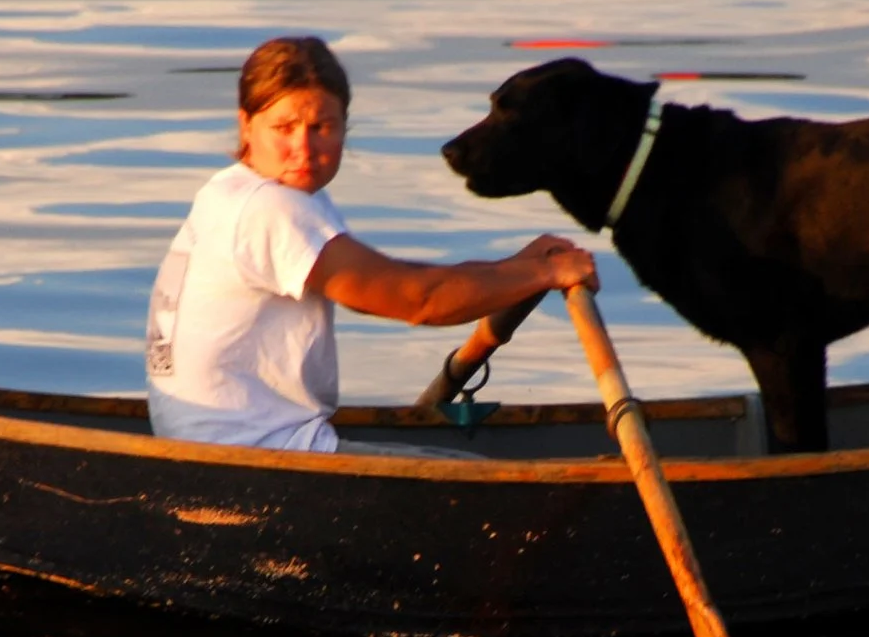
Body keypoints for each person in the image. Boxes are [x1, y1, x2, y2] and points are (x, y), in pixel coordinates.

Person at [146, 36, 596, 453]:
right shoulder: (272, 210)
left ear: (344, 126)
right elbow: (418, 300)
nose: (304, 148)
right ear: (247, 126)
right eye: (283, 127)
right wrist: (545, 273)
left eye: (322, 126)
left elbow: (385, 280)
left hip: (206, 445)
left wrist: (514, 270)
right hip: (256, 452)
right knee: (469, 469)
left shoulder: (231, 192)